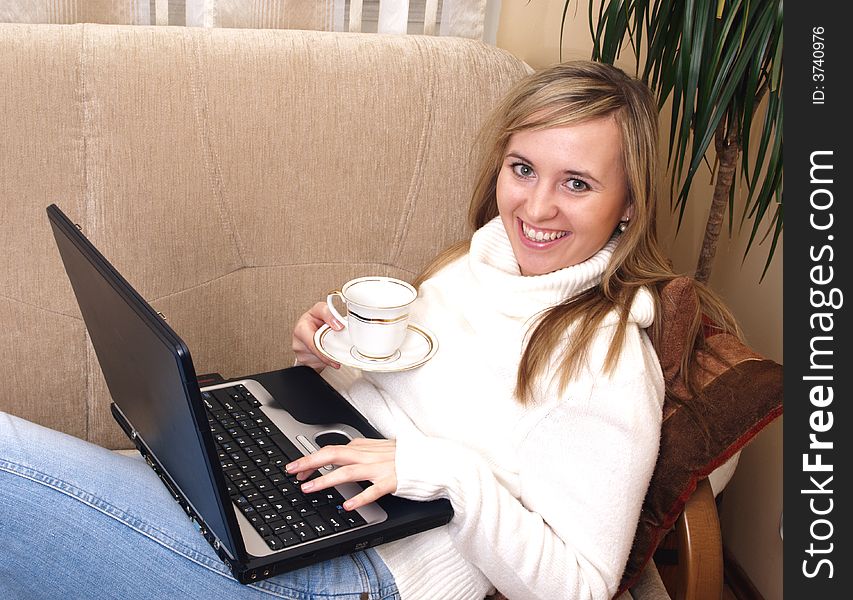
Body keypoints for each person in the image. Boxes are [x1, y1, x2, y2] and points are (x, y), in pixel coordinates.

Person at [0, 61, 739, 600]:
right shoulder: (472, 264)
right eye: (522, 168)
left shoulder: (605, 363)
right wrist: (326, 368)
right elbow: (397, 412)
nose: (536, 207)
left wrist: (445, 474)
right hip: (303, 499)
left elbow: (582, 585)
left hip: (357, 574)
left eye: (576, 183)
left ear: (628, 206)